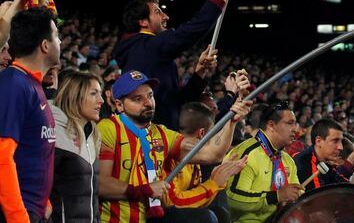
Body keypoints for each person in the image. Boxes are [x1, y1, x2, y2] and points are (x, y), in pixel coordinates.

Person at [98, 70, 251, 223]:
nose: (147, 103)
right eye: (137, 99)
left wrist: (232, 120)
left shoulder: (162, 134)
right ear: (119, 105)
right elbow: (100, 184)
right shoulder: (109, 128)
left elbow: (211, 153)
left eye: (150, 96)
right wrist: (145, 189)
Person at [114, 0, 246, 128]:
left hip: (164, 137)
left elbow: (179, 102)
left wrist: (200, 72)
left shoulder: (143, 52)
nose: (166, 17)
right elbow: (197, 26)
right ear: (143, 22)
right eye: (158, 12)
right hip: (154, 142)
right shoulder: (149, 46)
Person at [0, 7, 60, 223]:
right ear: (45, 45)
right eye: (56, 37)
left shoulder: (31, 84)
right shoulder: (13, 84)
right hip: (18, 213)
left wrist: (44, 201)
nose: (60, 43)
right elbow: (2, 156)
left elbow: (34, 151)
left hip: (34, 208)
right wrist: (19, 217)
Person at [165, 102, 249, 223]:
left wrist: (218, 178)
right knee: (207, 217)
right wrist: (213, 184)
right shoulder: (170, 153)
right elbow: (173, 203)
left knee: (220, 213)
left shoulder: (196, 157)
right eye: (212, 133)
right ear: (202, 133)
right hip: (158, 216)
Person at [225, 101, 303, 222]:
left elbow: (297, 191)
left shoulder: (288, 160)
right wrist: (276, 196)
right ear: (271, 125)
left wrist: (295, 197)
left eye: (295, 123)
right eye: (289, 123)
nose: (295, 129)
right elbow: (232, 198)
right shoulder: (247, 153)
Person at [50, 71, 105, 223]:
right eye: (94, 93)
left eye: (100, 94)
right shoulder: (54, 133)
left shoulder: (92, 134)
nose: (101, 100)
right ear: (75, 96)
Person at [294, 118, 354, 189]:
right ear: (319, 141)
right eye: (335, 141)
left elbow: (341, 184)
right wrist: (353, 158)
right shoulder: (305, 162)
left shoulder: (324, 162)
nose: (340, 147)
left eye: (340, 141)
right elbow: (321, 197)